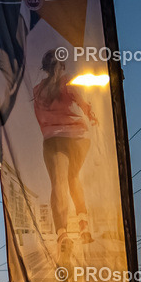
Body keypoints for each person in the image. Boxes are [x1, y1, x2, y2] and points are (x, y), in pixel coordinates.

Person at [34, 49, 99, 262]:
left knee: (59, 183)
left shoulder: (37, 90)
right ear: (61, 67)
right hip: (80, 138)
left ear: (45, 69)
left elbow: (40, 117)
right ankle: (83, 225)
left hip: (54, 140)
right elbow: (83, 105)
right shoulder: (68, 84)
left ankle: (62, 235)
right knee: (73, 178)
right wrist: (92, 115)